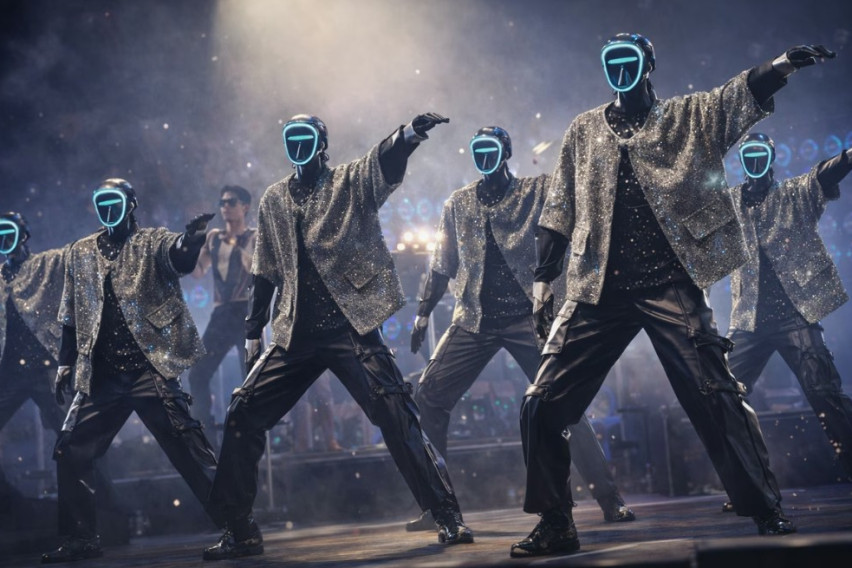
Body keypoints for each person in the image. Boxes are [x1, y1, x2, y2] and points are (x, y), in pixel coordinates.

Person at [510, 34, 836, 558]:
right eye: (611, 61)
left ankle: (765, 506)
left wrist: (782, 65)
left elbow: (736, 96)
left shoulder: (688, 116)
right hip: (597, 287)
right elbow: (559, 207)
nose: (619, 69)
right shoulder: (584, 129)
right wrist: (543, 278)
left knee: (716, 395)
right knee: (541, 402)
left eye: (629, 60)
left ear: (648, 66)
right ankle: (555, 523)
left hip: (671, 281)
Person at [203, 112, 473, 561]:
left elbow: (380, 162)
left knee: (396, 413)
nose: (297, 144)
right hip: (295, 333)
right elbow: (265, 271)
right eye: (290, 137)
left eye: (304, 136)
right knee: (243, 411)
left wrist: (408, 135)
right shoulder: (274, 198)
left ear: (321, 143)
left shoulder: (347, 181)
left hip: (350, 326)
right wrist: (253, 332)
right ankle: (239, 529)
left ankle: (446, 514)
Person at [404, 126, 635, 532]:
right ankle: (438, 506)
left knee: (563, 400)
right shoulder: (458, 203)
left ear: (506, 152)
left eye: (490, 148)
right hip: (474, 318)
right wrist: (423, 314)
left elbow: (570, 218)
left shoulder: (537, 190)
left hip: (529, 316)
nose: (483, 156)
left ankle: (608, 497)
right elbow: (442, 265)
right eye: (477, 149)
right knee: (428, 396)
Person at [41, 179, 222, 563]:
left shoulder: (151, 241)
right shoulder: (80, 252)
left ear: (131, 204)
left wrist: (190, 242)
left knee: (189, 449)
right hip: (102, 377)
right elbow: (70, 314)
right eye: (102, 202)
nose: (108, 209)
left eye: (115, 201)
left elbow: (178, 258)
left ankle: (240, 527)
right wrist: (65, 362)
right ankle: (80, 538)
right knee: (70, 449)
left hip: (148, 370)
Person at [719, 135, 852, 512]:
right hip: (748, 318)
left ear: (772, 157)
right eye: (748, 155)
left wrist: (849, 155)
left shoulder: (794, 194)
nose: (754, 161)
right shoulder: (728, 202)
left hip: (795, 313)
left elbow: (825, 173)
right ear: (741, 160)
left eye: (760, 154)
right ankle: (749, 487)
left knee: (826, 393)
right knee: (723, 397)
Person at [0, 212, 69, 509]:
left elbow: (71, 258)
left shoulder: (44, 264)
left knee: (72, 436)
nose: (4, 239)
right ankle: (8, 502)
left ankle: (103, 505)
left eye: (9, 232)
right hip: (10, 372)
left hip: (44, 368)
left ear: (23, 235)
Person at [188, 185, 257, 436]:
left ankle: (250, 434)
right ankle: (206, 437)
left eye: (231, 202)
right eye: (222, 203)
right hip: (222, 314)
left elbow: (258, 269)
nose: (225, 207)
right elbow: (197, 272)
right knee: (197, 374)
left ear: (245, 207)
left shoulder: (255, 237)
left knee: (252, 377)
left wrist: (237, 246)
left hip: (247, 312)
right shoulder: (214, 238)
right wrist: (190, 244)